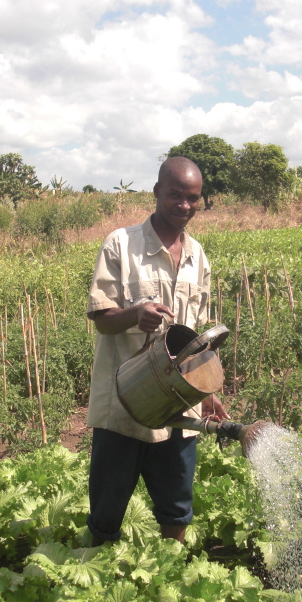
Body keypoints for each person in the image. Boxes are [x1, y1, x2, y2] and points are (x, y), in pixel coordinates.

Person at [85, 156, 228, 546]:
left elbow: (196, 337)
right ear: (156, 193)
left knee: (176, 507)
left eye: (193, 198)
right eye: (175, 195)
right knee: (106, 512)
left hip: (179, 406)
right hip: (125, 404)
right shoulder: (121, 244)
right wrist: (134, 314)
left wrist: (208, 392)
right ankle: (97, 588)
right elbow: (101, 318)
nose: (184, 205)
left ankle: (170, 586)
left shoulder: (198, 256)